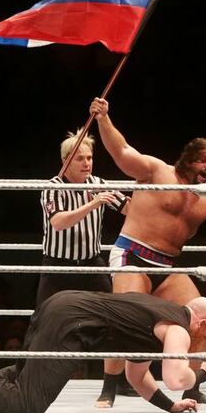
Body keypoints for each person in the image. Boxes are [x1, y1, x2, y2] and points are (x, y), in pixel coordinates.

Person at [88, 97, 206, 406]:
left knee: (203, 316)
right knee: (125, 319)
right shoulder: (157, 172)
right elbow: (122, 151)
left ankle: (191, 388)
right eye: (203, 160)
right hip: (133, 255)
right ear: (188, 158)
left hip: (167, 266)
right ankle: (109, 386)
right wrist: (104, 119)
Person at [0, 291, 206, 413]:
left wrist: (170, 407)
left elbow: (137, 377)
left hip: (62, 305)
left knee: (23, 376)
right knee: (29, 403)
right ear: (203, 324)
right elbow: (175, 377)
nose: (203, 339)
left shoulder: (158, 315)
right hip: (73, 323)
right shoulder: (179, 328)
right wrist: (203, 374)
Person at [37, 128, 129, 307]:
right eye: (80, 159)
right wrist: (92, 204)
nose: (86, 163)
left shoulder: (99, 184)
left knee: (113, 312)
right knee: (44, 316)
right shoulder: (53, 187)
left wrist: (147, 190)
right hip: (57, 265)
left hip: (91, 263)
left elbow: (128, 209)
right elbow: (58, 222)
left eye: (89, 158)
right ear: (66, 161)